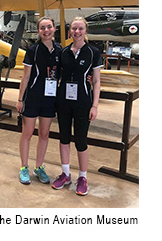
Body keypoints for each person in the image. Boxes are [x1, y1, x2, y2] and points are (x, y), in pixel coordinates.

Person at [52, 17, 103, 196]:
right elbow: (55, 75)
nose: (77, 32)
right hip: (63, 101)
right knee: (64, 137)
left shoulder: (93, 52)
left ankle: (83, 177)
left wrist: (94, 106)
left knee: (81, 140)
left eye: (80, 28)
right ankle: (65, 174)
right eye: (74, 28)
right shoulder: (63, 52)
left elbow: (96, 81)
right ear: (70, 31)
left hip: (83, 102)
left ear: (85, 31)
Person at [16, 16, 62, 185]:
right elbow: (26, 76)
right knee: (27, 133)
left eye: (49, 27)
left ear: (54, 29)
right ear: (38, 31)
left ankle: (39, 167)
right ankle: (24, 167)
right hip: (33, 97)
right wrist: (20, 99)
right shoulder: (33, 50)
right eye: (42, 28)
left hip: (50, 99)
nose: (46, 30)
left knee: (44, 134)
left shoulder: (59, 50)